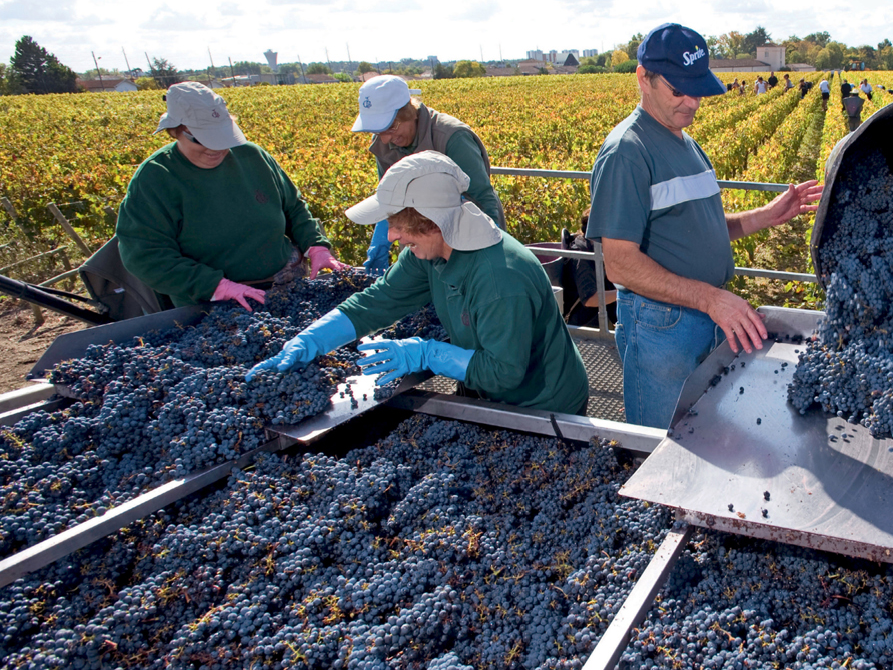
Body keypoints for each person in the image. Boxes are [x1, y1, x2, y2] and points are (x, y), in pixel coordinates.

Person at [586, 23, 823, 428]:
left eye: (697, 90)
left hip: (700, 317)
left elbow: (701, 228)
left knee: (701, 434)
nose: (692, 103)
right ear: (643, 78)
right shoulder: (628, 152)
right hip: (662, 327)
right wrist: (710, 299)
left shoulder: (685, 141)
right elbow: (620, 264)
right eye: (678, 90)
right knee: (663, 442)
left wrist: (765, 215)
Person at [249, 151, 589, 415]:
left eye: (400, 225)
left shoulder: (499, 279)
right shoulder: (429, 251)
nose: (393, 236)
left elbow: (503, 373)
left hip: (543, 402)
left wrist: (427, 353)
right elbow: (378, 301)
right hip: (490, 392)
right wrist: (311, 340)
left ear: (434, 221)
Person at [116, 82, 346, 311]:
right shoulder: (155, 178)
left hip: (285, 283)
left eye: (222, 137)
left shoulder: (252, 156)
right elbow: (145, 256)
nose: (215, 148)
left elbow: (294, 208)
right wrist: (217, 286)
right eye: (201, 139)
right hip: (212, 302)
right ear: (175, 130)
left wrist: (316, 246)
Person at [353, 75, 504, 274]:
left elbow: (482, 198)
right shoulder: (383, 141)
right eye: (379, 131)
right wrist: (381, 241)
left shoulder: (452, 137)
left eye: (391, 127)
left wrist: (491, 255)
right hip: (418, 241)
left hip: (463, 235)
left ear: (409, 112)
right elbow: (390, 196)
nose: (386, 138)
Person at [562, 209, 617, 328]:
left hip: (594, 320)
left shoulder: (597, 249)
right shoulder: (582, 255)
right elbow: (590, 299)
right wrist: (626, 294)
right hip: (580, 324)